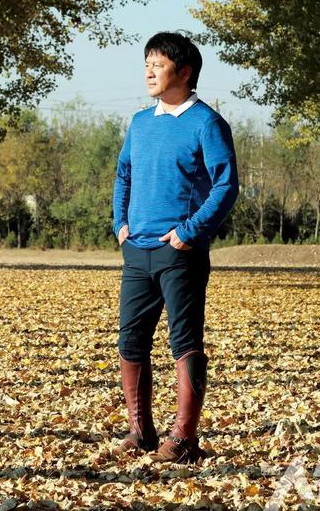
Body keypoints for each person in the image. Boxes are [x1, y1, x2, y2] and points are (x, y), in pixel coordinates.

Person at [112, 31, 239, 464]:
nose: (149, 71)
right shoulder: (140, 122)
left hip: (180, 252)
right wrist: (120, 224)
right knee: (131, 340)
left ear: (184, 72)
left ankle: (184, 439)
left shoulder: (207, 123)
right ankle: (141, 432)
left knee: (184, 341)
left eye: (158, 64)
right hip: (137, 250)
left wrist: (190, 231)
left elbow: (225, 185)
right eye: (146, 64)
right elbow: (124, 174)